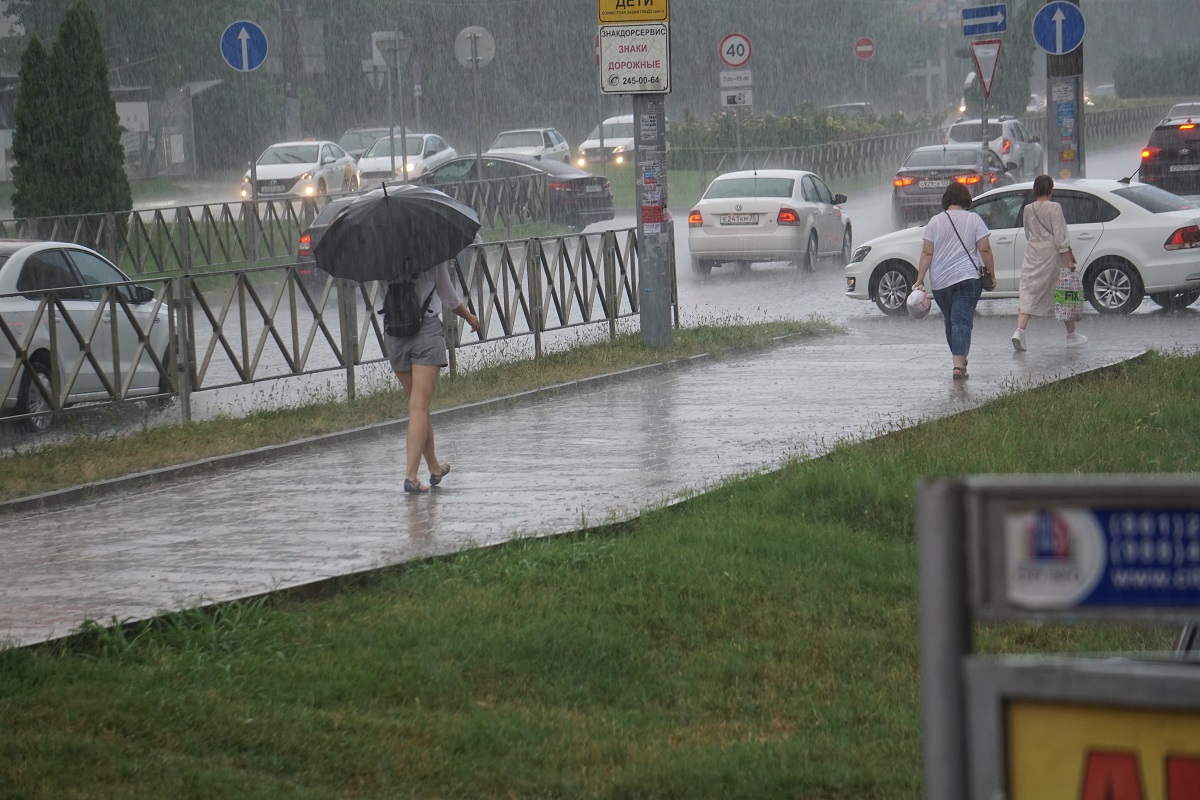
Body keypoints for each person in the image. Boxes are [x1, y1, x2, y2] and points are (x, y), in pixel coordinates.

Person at [385, 261, 479, 494]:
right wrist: (469, 317)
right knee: (419, 406)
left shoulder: (382, 253)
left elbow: (382, 294)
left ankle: (434, 466)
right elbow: (448, 297)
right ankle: (411, 476)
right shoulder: (430, 249)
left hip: (394, 333)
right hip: (424, 331)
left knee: (418, 407)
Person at [913, 182, 994, 380]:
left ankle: (958, 360)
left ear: (947, 199)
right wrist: (992, 273)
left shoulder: (934, 222)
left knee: (951, 321)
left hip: (941, 282)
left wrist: (919, 279)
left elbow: (927, 252)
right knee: (962, 320)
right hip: (968, 278)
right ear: (965, 198)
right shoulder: (974, 219)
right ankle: (959, 363)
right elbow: (984, 249)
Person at [1011, 174, 1085, 351]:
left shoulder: (1028, 208)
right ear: (1050, 189)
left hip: (1033, 252)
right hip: (1052, 254)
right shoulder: (1054, 207)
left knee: (1029, 290)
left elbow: (1028, 233)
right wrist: (1069, 261)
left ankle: (1019, 331)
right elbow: (1060, 236)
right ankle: (1071, 335)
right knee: (1062, 292)